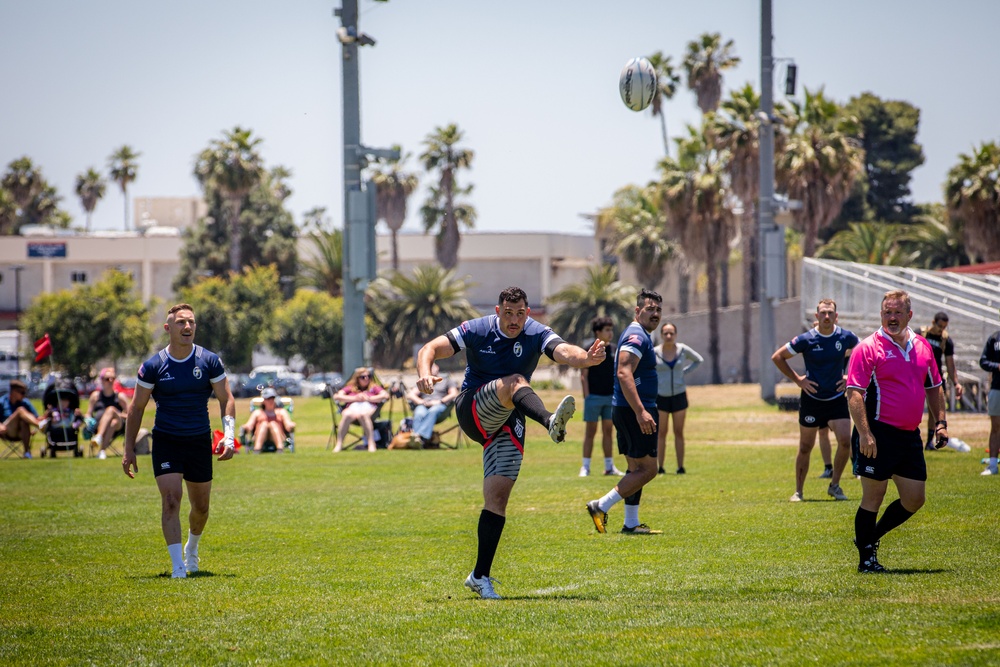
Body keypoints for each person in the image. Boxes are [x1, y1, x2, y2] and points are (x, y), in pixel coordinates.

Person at [416, 286, 605, 600]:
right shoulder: (478, 329)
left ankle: (479, 575)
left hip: (509, 419)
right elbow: (431, 348)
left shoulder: (535, 332)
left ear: (527, 313)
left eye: (520, 314)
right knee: (516, 381)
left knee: (498, 498)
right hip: (473, 409)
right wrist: (424, 373)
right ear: (497, 311)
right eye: (508, 313)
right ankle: (548, 421)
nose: (514, 320)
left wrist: (586, 358)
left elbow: (563, 351)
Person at [122, 303, 236, 579]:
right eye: (181, 322)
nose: (187, 327)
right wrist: (128, 451)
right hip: (167, 440)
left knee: (201, 508)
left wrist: (229, 436)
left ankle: (191, 548)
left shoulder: (209, 360)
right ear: (168, 328)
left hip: (198, 440)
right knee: (171, 500)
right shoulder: (153, 366)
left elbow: (226, 399)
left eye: (192, 322)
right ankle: (177, 567)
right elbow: (136, 408)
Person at [846, 289, 947, 573]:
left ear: (909, 315)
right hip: (876, 434)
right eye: (887, 312)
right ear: (881, 314)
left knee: (915, 498)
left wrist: (940, 423)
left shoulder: (923, 347)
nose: (892, 317)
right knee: (873, 497)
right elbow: (854, 394)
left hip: (909, 435)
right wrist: (865, 434)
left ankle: (869, 537)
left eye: (897, 312)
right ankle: (866, 559)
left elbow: (934, 387)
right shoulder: (868, 348)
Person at [586, 288, 664, 536]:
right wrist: (641, 411)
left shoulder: (637, 333)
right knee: (649, 470)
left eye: (658, 310)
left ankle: (631, 522)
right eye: (650, 309)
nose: (655, 314)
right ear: (637, 310)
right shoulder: (637, 336)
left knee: (635, 468)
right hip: (634, 410)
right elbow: (623, 372)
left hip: (625, 408)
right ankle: (601, 505)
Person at [772, 299, 858, 502]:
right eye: (823, 313)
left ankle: (835, 486)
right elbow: (777, 357)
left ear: (836, 316)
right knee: (805, 446)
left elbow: (866, 354)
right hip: (812, 399)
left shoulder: (846, 337)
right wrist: (798, 380)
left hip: (837, 399)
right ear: (817, 316)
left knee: (845, 441)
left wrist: (851, 377)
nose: (826, 316)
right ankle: (798, 492)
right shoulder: (806, 339)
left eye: (830, 313)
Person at [653, 321, 703, 475]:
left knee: (679, 432)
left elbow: (698, 360)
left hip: (679, 396)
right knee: (661, 433)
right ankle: (660, 467)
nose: (668, 336)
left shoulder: (682, 350)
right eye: (665, 333)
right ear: (661, 335)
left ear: (676, 334)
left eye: (671, 333)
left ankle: (680, 466)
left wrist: (684, 372)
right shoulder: (654, 352)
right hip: (661, 396)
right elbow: (647, 369)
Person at [579, 316, 624, 477]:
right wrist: (587, 396)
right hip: (594, 398)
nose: (610, 333)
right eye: (607, 330)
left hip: (610, 397)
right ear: (598, 332)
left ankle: (609, 467)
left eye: (611, 329)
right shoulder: (588, 348)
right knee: (590, 432)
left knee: (608, 432)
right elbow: (584, 374)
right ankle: (585, 467)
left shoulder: (614, 349)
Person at [917, 311, 964, 450]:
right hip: (918, 375)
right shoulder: (920, 333)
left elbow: (950, 364)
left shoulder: (945, 339)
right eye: (940, 326)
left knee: (934, 411)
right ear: (933, 322)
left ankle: (929, 442)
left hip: (934, 378)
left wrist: (956, 382)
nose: (941, 329)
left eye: (944, 327)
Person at [331, 368, 389, 453]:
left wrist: (369, 398)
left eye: (368, 376)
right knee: (346, 414)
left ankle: (371, 444)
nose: (366, 379)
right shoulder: (350, 388)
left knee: (363, 415)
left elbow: (385, 395)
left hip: (368, 409)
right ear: (357, 378)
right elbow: (337, 396)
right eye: (363, 377)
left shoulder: (374, 387)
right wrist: (355, 398)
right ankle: (339, 444)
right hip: (353, 409)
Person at [406, 363, 459, 448]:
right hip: (424, 405)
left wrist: (440, 401)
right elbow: (410, 395)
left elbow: (454, 393)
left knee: (433, 411)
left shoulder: (446, 380)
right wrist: (421, 401)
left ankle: (419, 438)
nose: (430, 369)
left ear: (437, 368)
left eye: (432, 367)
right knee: (419, 412)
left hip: (441, 407)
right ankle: (416, 438)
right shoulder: (424, 380)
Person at [85, 367, 131, 459]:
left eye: (112, 378)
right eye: (107, 379)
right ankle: (102, 451)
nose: (110, 381)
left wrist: (117, 413)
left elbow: (131, 415)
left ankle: (99, 437)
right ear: (101, 380)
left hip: (119, 427)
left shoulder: (120, 397)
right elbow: (88, 413)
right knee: (113, 422)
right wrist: (88, 420)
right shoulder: (95, 396)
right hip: (99, 425)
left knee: (111, 410)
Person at [242, 387, 295, 453]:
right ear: (264, 400)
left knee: (273, 424)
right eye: (268, 399)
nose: (271, 401)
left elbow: (288, 425)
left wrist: (291, 425)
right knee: (264, 424)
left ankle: (280, 449)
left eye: (272, 398)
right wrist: (245, 427)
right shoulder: (257, 413)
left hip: (279, 437)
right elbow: (249, 425)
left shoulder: (281, 412)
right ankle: (257, 449)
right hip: (259, 437)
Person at [979, 325, 1000, 476]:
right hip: (997, 388)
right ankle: (992, 465)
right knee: (996, 427)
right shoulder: (994, 338)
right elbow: (983, 361)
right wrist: (998, 366)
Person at [0, 379, 40, 458]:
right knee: (20, 410)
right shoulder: (2, 402)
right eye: (22, 393)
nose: (24, 395)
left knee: (23, 421)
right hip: (7, 430)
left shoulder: (25, 402)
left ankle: (26, 452)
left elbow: (36, 417)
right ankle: (40, 426)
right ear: (14, 392)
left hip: (22, 432)